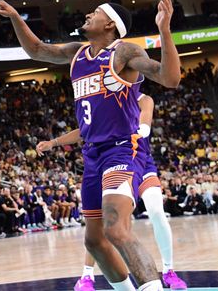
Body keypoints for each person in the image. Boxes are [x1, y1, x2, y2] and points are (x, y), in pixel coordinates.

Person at [0, 0, 180, 291]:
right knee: (94, 240)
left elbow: (169, 78)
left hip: (122, 149)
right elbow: (36, 50)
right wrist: (15, 18)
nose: (89, 14)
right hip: (91, 155)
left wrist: (164, 31)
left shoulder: (123, 52)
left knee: (116, 227)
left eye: (96, 12)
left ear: (110, 24)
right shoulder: (76, 52)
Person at [38, 93, 188, 291]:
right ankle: (87, 275)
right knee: (100, 223)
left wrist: (142, 128)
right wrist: (54, 142)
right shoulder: (105, 98)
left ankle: (168, 271)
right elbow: (85, 131)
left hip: (139, 160)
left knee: (156, 210)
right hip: (114, 161)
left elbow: (146, 113)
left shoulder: (140, 97)